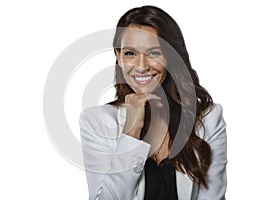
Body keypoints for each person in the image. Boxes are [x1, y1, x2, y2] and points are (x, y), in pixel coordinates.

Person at [79, 5, 227, 200]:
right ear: (118, 56)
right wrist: (130, 133)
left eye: (154, 53)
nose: (141, 66)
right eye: (130, 53)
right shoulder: (96, 121)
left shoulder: (207, 119)